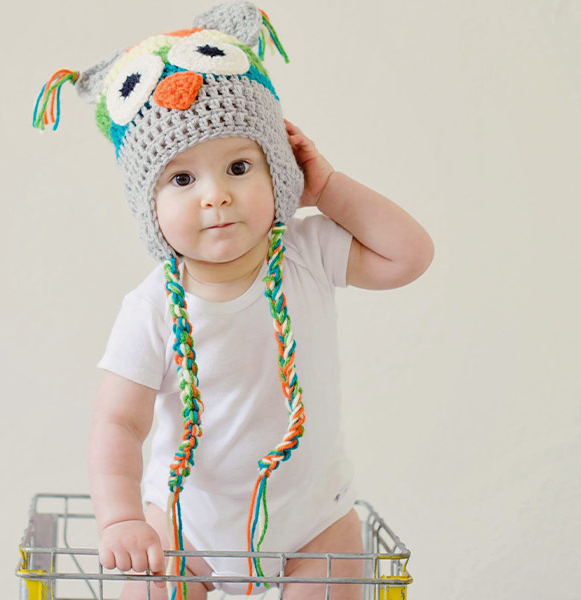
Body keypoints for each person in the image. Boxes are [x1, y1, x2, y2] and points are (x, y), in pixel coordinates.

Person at [33, 3, 433, 598]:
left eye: (240, 167)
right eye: (182, 180)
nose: (215, 197)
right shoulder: (151, 310)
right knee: (149, 587)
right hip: (186, 523)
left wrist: (327, 188)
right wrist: (121, 518)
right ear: (150, 207)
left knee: (341, 571)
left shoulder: (306, 252)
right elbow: (118, 422)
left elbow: (408, 255)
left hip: (312, 519)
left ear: (280, 174)